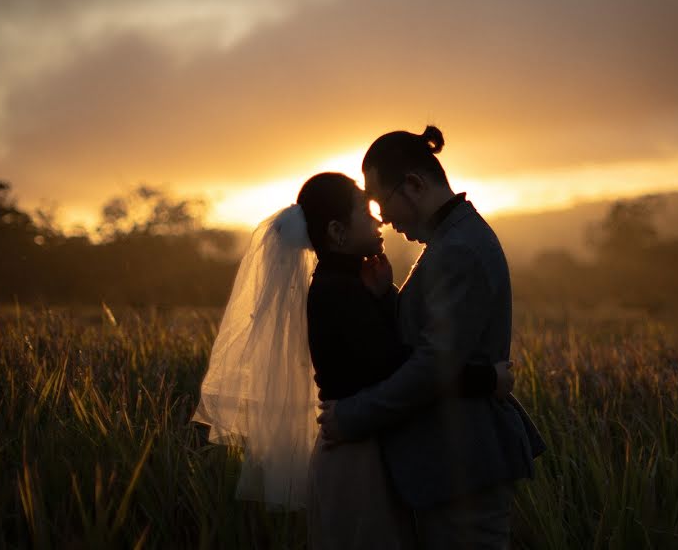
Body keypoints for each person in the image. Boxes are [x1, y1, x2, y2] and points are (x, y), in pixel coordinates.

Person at [191, 170, 512, 547]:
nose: (378, 218)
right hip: (357, 463)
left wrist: (381, 297)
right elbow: (404, 370)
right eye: (364, 209)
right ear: (338, 233)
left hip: (362, 451)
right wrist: (486, 380)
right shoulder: (336, 293)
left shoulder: (345, 286)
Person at [317, 126, 546, 549]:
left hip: (463, 466)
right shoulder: (452, 239)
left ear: (415, 186)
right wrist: (387, 297)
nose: (384, 219)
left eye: (381, 203)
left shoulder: (458, 248)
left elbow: (431, 366)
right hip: (448, 468)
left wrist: (351, 416)